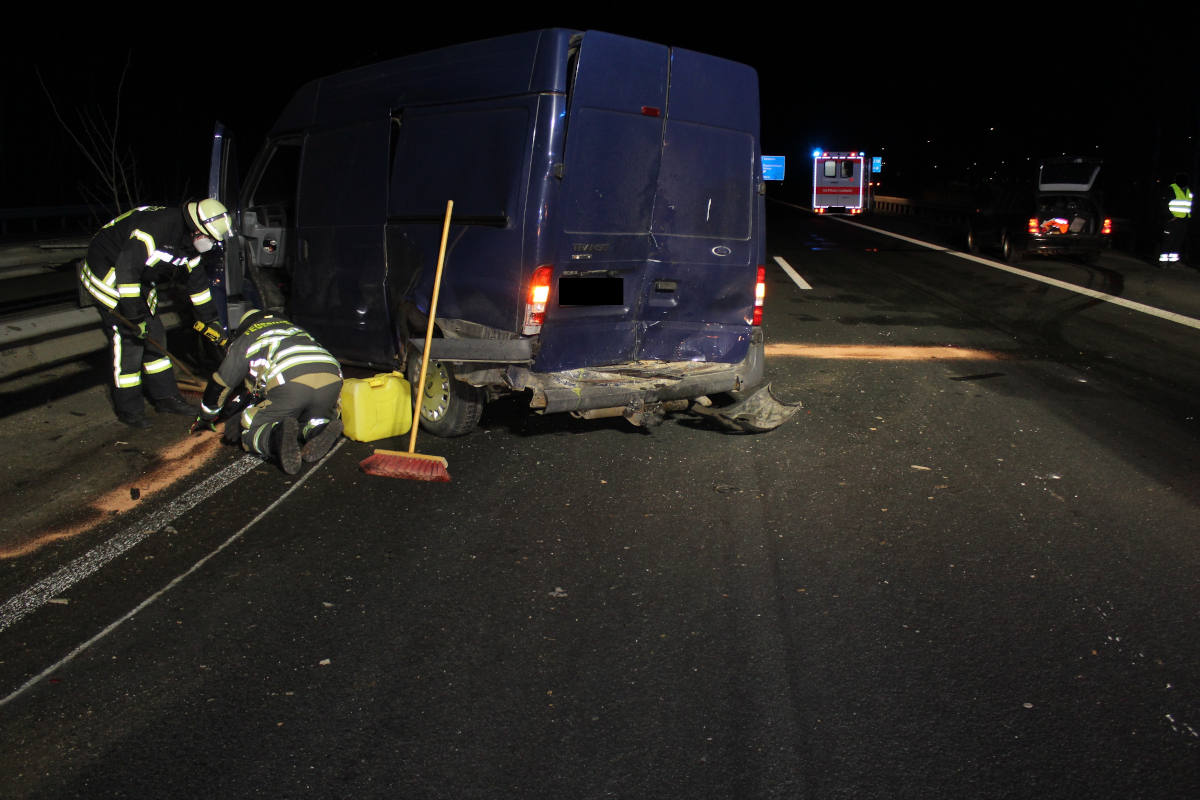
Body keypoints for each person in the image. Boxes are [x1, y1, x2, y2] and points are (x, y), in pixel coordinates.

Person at [80, 199, 234, 427]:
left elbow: (198, 287)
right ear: (197, 230)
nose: (210, 244)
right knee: (130, 343)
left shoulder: (189, 244)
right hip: (109, 272)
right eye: (210, 238)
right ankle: (129, 409)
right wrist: (134, 317)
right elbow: (127, 268)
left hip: (137, 277)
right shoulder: (157, 228)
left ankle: (166, 398)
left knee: (156, 336)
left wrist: (209, 321)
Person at [191, 309, 344, 475]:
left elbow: (221, 383)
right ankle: (320, 429)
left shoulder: (246, 338)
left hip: (289, 381)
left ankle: (275, 437)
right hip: (332, 377)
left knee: (249, 423)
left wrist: (206, 416)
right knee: (309, 418)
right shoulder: (294, 329)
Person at [1158, 173, 1193, 265]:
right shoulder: (1171, 189)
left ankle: (1173, 261)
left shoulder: (1188, 190)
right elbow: (1163, 203)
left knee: (1178, 240)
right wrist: (1169, 216)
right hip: (1173, 220)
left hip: (1183, 220)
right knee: (1168, 240)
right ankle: (1163, 261)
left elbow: (1190, 204)